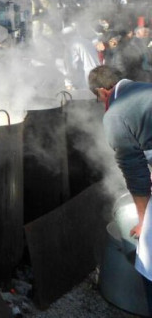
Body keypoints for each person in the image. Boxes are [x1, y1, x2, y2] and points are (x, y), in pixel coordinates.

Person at [88, 64, 152, 314]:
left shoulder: (115, 115)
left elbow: (136, 175)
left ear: (103, 92)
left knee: (148, 256)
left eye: (98, 99)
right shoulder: (145, 89)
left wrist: (143, 220)